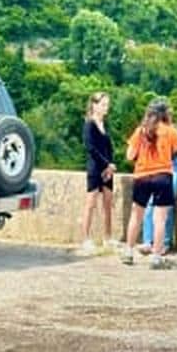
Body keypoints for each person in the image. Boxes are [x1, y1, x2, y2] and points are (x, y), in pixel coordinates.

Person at [123, 99, 177, 269]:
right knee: (159, 219)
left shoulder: (141, 131)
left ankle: (128, 252)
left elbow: (130, 155)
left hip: (142, 175)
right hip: (163, 176)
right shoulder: (170, 131)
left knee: (136, 216)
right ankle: (156, 256)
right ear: (165, 114)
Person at [138, 111, 177, 256]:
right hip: (157, 169)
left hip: (172, 168)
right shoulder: (151, 130)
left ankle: (164, 242)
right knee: (150, 204)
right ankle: (148, 241)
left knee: (166, 206)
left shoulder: (175, 130)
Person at [81, 92, 117, 254]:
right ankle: (85, 238)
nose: (105, 108)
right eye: (103, 104)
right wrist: (105, 164)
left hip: (107, 169)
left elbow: (109, 148)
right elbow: (91, 148)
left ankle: (107, 238)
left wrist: (111, 166)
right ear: (94, 105)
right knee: (91, 203)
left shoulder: (105, 125)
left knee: (108, 204)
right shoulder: (89, 124)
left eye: (107, 104)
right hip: (95, 168)